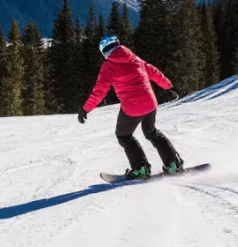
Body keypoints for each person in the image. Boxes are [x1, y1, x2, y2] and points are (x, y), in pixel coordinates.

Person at [77, 35, 184, 180]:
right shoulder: (134, 58)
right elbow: (153, 72)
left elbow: (99, 91)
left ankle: (140, 168)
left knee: (124, 135)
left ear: (104, 52)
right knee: (151, 132)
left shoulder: (108, 66)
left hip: (133, 107)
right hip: (150, 103)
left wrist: (86, 109)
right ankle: (173, 164)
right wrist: (168, 86)